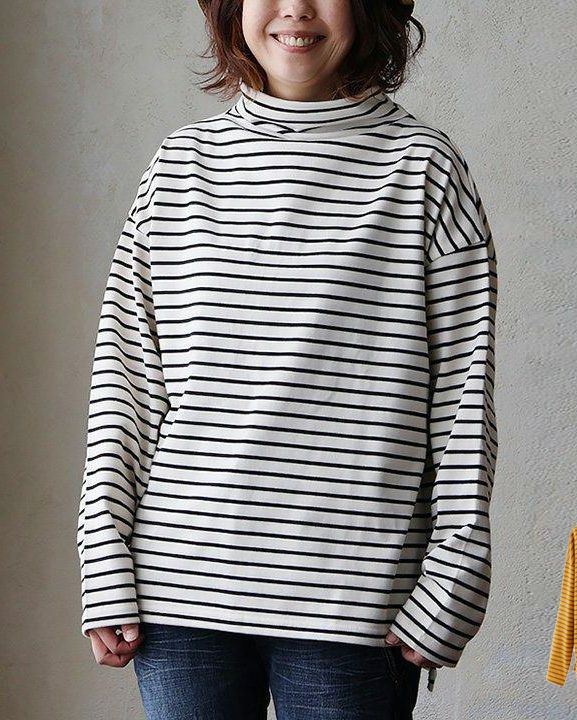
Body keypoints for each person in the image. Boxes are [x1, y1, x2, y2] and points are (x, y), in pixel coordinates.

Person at [76, 1, 498, 718]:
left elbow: (463, 396)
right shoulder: (180, 167)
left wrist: (454, 572)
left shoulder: (424, 169)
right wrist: (103, 557)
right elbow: (127, 384)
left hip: (357, 602)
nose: (296, 7)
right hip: (178, 596)